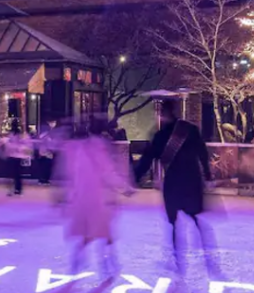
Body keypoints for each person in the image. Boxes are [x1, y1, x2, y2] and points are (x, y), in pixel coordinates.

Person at [132, 104, 218, 275]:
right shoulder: (190, 130)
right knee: (194, 218)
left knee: (173, 223)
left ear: (164, 113)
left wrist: (135, 177)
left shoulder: (161, 135)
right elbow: (203, 153)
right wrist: (207, 175)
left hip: (173, 184)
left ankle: (179, 259)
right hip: (192, 182)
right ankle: (208, 255)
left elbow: (148, 157)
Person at [59, 121, 130, 275]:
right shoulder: (99, 149)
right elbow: (108, 173)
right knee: (103, 232)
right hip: (99, 198)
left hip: (82, 197)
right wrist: (124, 187)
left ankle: (80, 259)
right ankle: (108, 264)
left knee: (90, 233)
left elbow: (72, 173)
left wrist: (70, 195)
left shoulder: (79, 149)